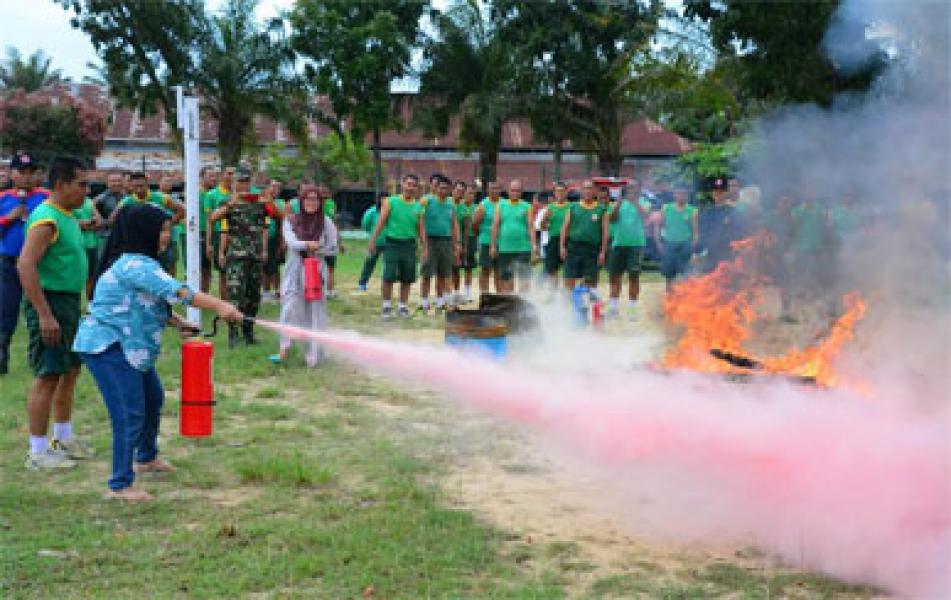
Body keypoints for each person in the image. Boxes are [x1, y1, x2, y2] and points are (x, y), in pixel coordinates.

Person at [74, 203, 242, 500]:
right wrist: (220, 305)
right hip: (108, 345)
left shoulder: (143, 264)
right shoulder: (136, 265)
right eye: (163, 230)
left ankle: (146, 458)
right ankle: (120, 485)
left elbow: (144, 302)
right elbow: (180, 292)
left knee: (153, 398)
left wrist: (177, 322)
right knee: (128, 413)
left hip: (130, 347)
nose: (167, 236)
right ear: (144, 232)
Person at [17, 157, 92, 470]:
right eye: (81, 184)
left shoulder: (68, 216)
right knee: (48, 375)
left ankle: (63, 436)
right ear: (60, 184)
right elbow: (26, 264)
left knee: (69, 369)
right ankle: (37, 451)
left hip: (68, 303)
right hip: (51, 302)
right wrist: (44, 315)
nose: (86, 191)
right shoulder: (46, 219)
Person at [273, 187, 338, 366]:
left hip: (315, 270)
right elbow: (291, 242)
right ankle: (284, 348)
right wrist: (307, 245)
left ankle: (314, 354)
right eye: (307, 199)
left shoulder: (326, 222)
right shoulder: (291, 220)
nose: (311, 203)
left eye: (315, 199)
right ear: (301, 201)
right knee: (289, 307)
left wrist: (319, 249)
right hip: (294, 269)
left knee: (315, 311)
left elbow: (333, 247)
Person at [0, 152, 49, 375]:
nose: (27, 177)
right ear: (12, 174)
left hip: (39, 263)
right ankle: (2, 354)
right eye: (22, 172)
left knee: (38, 308)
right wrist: (8, 218)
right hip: (9, 263)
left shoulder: (46, 197)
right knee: (6, 308)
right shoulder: (3, 198)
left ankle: (39, 356)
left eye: (31, 172)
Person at [216, 171, 269, 347]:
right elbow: (214, 219)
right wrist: (231, 203)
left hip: (255, 256)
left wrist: (264, 249)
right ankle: (233, 334)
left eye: (246, 182)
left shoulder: (259, 203)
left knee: (253, 296)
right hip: (236, 257)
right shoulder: (227, 202)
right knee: (235, 295)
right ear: (234, 183)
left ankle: (248, 332)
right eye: (240, 182)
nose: (243, 185)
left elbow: (266, 225)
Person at [368, 174, 427, 320]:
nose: (410, 187)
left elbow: (421, 228)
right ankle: (386, 306)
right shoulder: (390, 201)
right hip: (392, 243)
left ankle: (402, 307)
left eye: (414, 185)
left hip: (409, 245)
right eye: (408, 184)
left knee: (407, 277)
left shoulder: (418, 206)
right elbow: (381, 222)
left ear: (417, 188)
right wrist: (373, 240)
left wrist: (425, 247)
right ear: (402, 184)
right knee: (388, 276)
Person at [118, 172, 185, 276]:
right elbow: (115, 220)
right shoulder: (126, 202)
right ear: (131, 185)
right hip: (140, 244)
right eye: (136, 186)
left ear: (147, 184)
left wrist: (167, 225)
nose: (139, 189)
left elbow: (181, 210)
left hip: (163, 240)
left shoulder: (161, 198)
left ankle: (170, 286)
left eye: (141, 186)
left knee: (168, 268)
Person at [607, 180, 652, 318]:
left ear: (639, 189)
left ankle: (632, 309)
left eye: (634, 187)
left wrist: (635, 202)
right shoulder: (616, 203)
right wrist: (618, 203)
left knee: (634, 276)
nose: (631, 190)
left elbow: (646, 215)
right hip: (618, 243)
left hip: (636, 244)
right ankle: (613, 308)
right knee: (614, 276)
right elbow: (612, 219)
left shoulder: (644, 202)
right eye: (629, 188)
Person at [419, 174, 459, 312]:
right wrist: (423, 242)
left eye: (446, 188)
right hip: (430, 240)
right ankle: (424, 301)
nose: (443, 191)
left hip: (446, 241)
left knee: (443, 273)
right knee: (427, 273)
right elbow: (420, 221)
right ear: (436, 188)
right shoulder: (426, 200)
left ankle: (440, 300)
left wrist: (456, 244)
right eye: (441, 187)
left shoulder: (451, 204)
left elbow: (454, 224)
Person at [560, 179, 609, 291]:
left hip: (592, 249)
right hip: (574, 247)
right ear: (581, 190)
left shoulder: (601, 209)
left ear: (595, 191)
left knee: (590, 280)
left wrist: (603, 252)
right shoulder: (573, 207)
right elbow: (564, 228)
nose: (588, 191)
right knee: (570, 278)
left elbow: (605, 232)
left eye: (590, 188)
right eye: (585, 188)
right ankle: (568, 301)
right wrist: (562, 246)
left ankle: (588, 300)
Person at [490, 179, 536, 293]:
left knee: (524, 279)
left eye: (517, 190)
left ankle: (523, 302)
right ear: (508, 191)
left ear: (521, 192)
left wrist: (534, 246)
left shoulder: (527, 206)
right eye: (512, 190)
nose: (515, 193)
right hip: (505, 248)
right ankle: (510, 302)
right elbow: (495, 226)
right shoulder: (500, 205)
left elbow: (531, 227)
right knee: (507, 279)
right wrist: (493, 245)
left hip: (523, 248)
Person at [657, 183, 699, 293]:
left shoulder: (693, 210)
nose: (681, 196)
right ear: (674, 194)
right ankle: (669, 296)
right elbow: (659, 226)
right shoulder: (666, 208)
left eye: (684, 193)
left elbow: (695, 231)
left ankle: (686, 297)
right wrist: (659, 242)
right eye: (679, 193)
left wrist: (693, 248)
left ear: (687, 195)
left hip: (685, 244)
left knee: (686, 274)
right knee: (669, 274)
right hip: (669, 243)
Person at [697, 177, 738, 273]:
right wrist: (697, 252)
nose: (718, 194)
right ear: (712, 193)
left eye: (721, 192)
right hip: (711, 255)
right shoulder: (707, 212)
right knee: (706, 279)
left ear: (726, 193)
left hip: (727, 255)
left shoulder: (733, 212)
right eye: (715, 191)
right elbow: (703, 234)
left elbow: (738, 233)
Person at [207, 167, 235, 299]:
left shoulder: (239, 193)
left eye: (234, 174)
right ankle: (224, 301)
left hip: (237, 235)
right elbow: (210, 221)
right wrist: (209, 243)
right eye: (229, 173)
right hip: (220, 235)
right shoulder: (212, 195)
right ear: (222, 175)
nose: (231, 176)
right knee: (223, 272)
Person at [471, 181, 503, 294]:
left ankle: (500, 296)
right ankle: (485, 295)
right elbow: (474, 224)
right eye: (492, 188)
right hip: (486, 242)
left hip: (502, 243)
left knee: (499, 271)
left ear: (500, 190)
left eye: (497, 188)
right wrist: (481, 234)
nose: (494, 191)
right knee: (485, 270)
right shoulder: (483, 205)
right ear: (488, 190)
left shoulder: (504, 203)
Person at [73, 195, 103, 301]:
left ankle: (89, 302)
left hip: (92, 245)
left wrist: (88, 224)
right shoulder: (71, 203)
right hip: (78, 245)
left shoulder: (89, 202)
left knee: (91, 276)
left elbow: (99, 220)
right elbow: (70, 221)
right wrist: (87, 223)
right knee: (77, 275)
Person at [261, 179, 286, 302]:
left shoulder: (281, 202)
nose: (276, 189)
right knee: (265, 266)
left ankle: (277, 290)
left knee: (276, 265)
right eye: (273, 186)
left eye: (278, 187)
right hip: (263, 237)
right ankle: (266, 292)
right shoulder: (261, 201)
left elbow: (282, 217)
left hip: (275, 237)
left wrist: (283, 241)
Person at [541, 182, 570, 287]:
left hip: (568, 240)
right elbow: (542, 227)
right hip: (553, 240)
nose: (560, 193)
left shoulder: (571, 207)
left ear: (566, 192)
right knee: (552, 270)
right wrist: (545, 220)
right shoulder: (550, 207)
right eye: (557, 191)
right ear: (554, 193)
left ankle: (567, 292)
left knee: (568, 269)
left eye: (562, 191)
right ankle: (554, 292)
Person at [451, 181, 474, 304]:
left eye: (461, 191)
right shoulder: (446, 203)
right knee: (444, 270)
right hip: (444, 240)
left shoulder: (465, 209)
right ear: (453, 190)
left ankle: (456, 293)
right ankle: (443, 295)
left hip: (458, 242)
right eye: (457, 190)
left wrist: (463, 246)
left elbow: (466, 230)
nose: (459, 193)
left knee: (456, 268)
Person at [358, 193, 386, 292]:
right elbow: (365, 224)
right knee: (370, 262)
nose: (384, 201)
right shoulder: (372, 211)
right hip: (376, 242)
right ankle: (362, 282)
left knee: (388, 264)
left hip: (390, 241)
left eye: (386, 199)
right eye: (382, 199)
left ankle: (385, 283)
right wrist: (372, 234)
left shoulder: (391, 210)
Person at [319, 183, 342, 299]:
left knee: (331, 266)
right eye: (322, 193)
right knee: (318, 265)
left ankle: (329, 290)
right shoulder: (314, 204)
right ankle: (319, 289)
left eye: (326, 192)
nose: (325, 195)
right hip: (319, 239)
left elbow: (334, 223)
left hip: (330, 239)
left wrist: (339, 240)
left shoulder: (331, 204)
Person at [158, 174, 183, 277]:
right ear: (160, 183)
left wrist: (170, 223)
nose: (168, 184)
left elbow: (182, 210)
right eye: (165, 181)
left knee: (172, 262)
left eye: (170, 182)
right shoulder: (155, 197)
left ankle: (172, 283)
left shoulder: (175, 198)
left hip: (172, 236)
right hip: (156, 236)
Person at [94, 171, 125, 256]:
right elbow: (95, 221)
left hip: (123, 238)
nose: (116, 183)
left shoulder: (127, 198)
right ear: (107, 183)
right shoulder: (99, 199)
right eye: (113, 181)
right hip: (105, 238)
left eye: (119, 180)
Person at [198, 166, 218, 292]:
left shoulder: (214, 194)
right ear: (202, 177)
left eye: (215, 176)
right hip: (198, 232)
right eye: (210, 176)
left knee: (207, 266)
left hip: (211, 232)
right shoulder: (195, 193)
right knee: (197, 265)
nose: (214, 178)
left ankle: (205, 293)